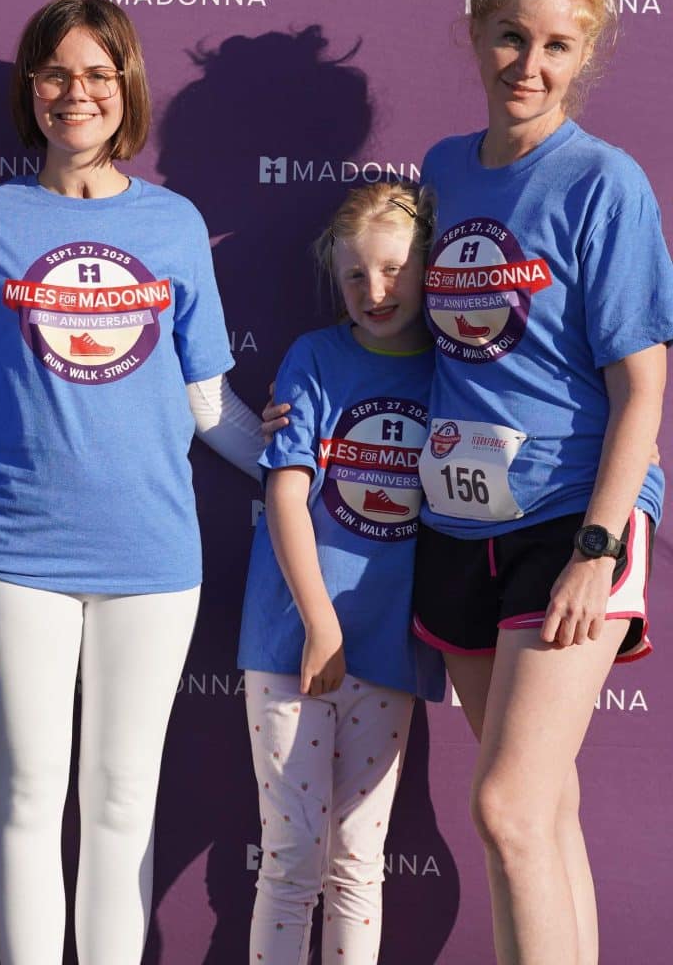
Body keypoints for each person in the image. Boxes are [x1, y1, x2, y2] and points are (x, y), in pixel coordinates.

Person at [0, 0, 264, 964]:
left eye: (96, 74)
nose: (75, 93)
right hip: (15, 555)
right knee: (27, 795)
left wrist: (303, 468)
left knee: (121, 802)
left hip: (154, 558)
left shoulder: (171, 223)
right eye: (56, 73)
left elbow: (207, 404)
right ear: (30, 89)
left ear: (126, 91)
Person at [411, 0, 673, 965]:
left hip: (570, 519)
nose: (528, 63)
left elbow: (642, 386)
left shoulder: (601, 181)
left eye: (555, 45)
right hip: (455, 521)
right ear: (475, 35)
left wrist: (598, 547)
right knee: (543, 814)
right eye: (511, 36)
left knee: (506, 810)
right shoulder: (441, 169)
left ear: (584, 57)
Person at [239, 181, 445, 964]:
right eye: (356, 274)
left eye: (395, 269)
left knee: (359, 860)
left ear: (430, 270)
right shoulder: (315, 358)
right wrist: (321, 623)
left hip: (391, 645)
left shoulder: (451, 373)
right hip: (293, 640)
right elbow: (286, 493)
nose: (376, 290)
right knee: (291, 861)